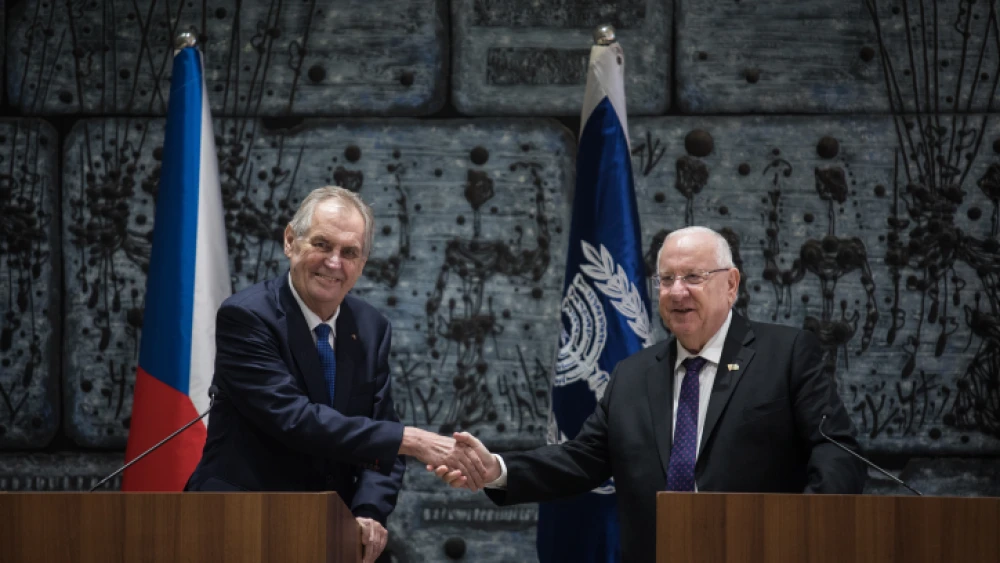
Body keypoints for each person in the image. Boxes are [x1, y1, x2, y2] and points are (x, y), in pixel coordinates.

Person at [431, 226, 867, 563]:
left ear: (731, 284)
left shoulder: (785, 354)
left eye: (693, 277)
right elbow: (581, 459)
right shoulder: (633, 375)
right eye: (666, 279)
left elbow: (836, 451)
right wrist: (497, 469)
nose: (677, 292)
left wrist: (801, 531)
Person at [187, 186, 488, 563]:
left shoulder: (371, 326)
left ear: (362, 263)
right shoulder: (247, 317)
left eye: (349, 253)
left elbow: (381, 438)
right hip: (240, 522)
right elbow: (294, 419)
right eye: (322, 244)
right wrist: (409, 439)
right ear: (290, 241)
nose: (333, 263)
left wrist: (368, 512)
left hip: (330, 533)